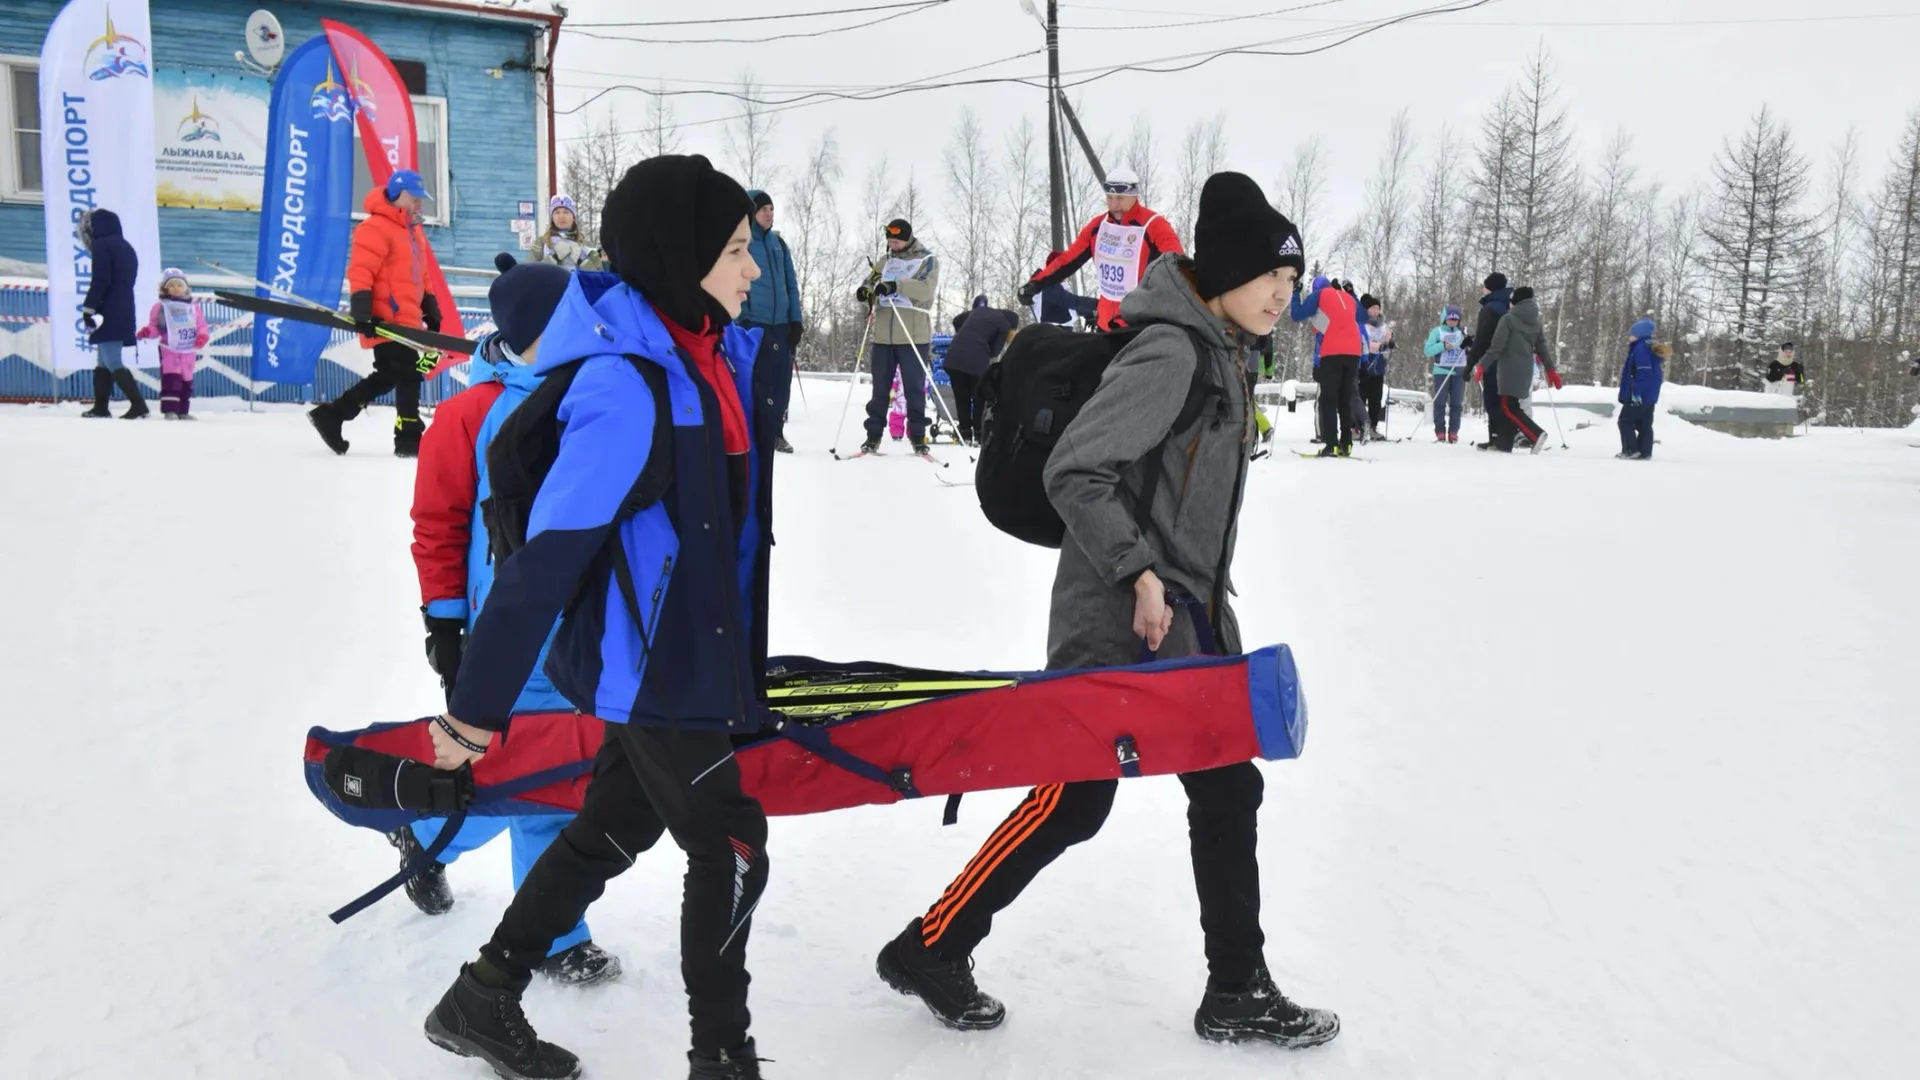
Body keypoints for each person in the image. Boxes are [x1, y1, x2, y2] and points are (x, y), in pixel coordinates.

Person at [875, 171, 1339, 1053]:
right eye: (1272, 276)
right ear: (1227, 273)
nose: (1287, 293)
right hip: (1123, 614)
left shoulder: (1224, 350)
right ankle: (930, 945)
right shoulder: (1172, 353)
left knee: (1224, 783)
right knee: (1075, 798)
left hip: (1182, 615)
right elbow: (1075, 470)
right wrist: (1139, 573)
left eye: (1294, 278)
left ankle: (1235, 984)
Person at [419, 155, 774, 1080]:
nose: (753, 269)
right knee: (733, 849)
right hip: (656, 664)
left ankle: (483, 995)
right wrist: (474, 708)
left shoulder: (701, 353)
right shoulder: (627, 384)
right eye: (737, 250)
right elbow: (545, 560)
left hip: (691, 653)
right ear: (679, 254)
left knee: (616, 825)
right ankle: (722, 1058)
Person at [401, 252, 622, 988]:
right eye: (566, 321)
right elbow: (437, 523)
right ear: (531, 330)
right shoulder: (470, 413)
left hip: (582, 626)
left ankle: (444, 847)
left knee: (562, 774)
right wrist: (447, 625)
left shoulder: (585, 396)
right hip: (508, 632)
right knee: (525, 773)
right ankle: (434, 839)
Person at [308, 169, 443, 458]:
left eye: (421, 199)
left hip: (407, 319)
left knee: (390, 375)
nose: (419, 205)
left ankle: (335, 414)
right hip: (384, 318)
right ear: (398, 195)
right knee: (408, 373)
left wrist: (430, 306)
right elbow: (361, 271)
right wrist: (363, 311)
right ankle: (408, 439)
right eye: (414, 199)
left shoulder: (413, 231)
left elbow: (422, 275)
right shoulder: (375, 228)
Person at [1018, 167, 1184, 331]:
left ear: (1134, 195)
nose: (1114, 205)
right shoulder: (1098, 227)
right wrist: (1036, 283)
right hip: (1106, 324)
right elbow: (1067, 260)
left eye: (1120, 198)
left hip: (1140, 325)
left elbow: (1177, 263)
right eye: (1109, 198)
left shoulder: (1154, 225)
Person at [856, 219, 940, 454]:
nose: (892, 244)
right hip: (884, 336)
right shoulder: (886, 260)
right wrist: (866, 291)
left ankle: (917, 436)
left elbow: (926, 290)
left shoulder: (926, 260)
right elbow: (871, 282)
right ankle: (873, 435)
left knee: (914, 389)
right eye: (889, 241)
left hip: (913, 335)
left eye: (896, 240)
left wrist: (896, 286)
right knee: (880, 390)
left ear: (907, 238)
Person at [740, 190, 803, 455]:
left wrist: (796, 320)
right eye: (764, 208)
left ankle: (776, 431)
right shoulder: (742, 243)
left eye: (772, 208)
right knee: (759, 379)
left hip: (781, 325)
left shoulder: (780, 245)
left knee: (781, 379)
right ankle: (755, 431)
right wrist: (743, 318)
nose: (769, 213)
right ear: (752, 212)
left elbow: (791, 284)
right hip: (755, 323)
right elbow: (737, 280)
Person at [77, 208, 147, 420]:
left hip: (109, 308)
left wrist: (89, 308)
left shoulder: (101, 245)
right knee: (102, 360)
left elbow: (101, 280)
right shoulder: (125, 246)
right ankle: (101, 407)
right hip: (124, 305)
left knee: (112, 360)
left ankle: (138, 405)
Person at [1478, 285, 1561, 453]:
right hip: (1526, 369)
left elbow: (1496, 347)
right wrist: (1551, 370)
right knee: (1512, 405)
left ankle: (1535, 435)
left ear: (1515, 302)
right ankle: (1504, 444)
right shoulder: (1536, 321)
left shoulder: (1508, 319)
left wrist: (1482, 365)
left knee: (1508, 407)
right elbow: (1542, 348)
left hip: (1509, 368)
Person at [1290, 273, 1366, 456]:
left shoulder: (1319, 295)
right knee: (1345, 398)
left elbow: (1297, 314)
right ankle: (1346, 443)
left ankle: (1331, 443)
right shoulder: (1346, 297)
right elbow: (1362, 317)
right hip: (1354, 351)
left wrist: (1295, 293)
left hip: (1332, 351)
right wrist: (1352, 293)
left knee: (1329, 399)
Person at [134, 268, 208, 420]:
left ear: (186, 288)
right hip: (169, 349)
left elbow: (201, 325)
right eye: (172, 285)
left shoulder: (193, 308)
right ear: (165, 287)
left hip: (188, 350)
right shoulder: (160, 307)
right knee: (171, 378)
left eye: (180, 285)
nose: (176, 288)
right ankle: (170, 410)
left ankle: (183, 411)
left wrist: (202, 336)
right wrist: (148, 332)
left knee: (186, 380)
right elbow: (155, 327)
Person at [945, 294, 1020, 443]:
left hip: (953, 358)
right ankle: (979, 434)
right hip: (976, 361)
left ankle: (965, 434)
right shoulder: (1004, 325)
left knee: (962, 398)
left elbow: (957, 320)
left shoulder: (979, 311)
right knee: (979, 397)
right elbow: (995, 352)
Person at [1468, 272, 1512, 448]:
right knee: (1507, 401)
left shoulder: (1490, 308)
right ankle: (1505, 437)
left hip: (1493, 359)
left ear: (1490, 288)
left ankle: (1497, 438)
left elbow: (1483, 338)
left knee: (1492, 399)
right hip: (1512, 360)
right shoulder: (1511, 306)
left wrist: (1472, 360)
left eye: (1484, 286)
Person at [1616, 317, 1666, 460]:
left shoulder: (1640, 348)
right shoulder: (1650, 348)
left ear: (1639, 334)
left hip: (1639, 394)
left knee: (1625, 421)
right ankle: (1645, 452)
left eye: (1632, 334)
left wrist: (1636, 393)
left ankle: (1630, 450)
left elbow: (1643, 371)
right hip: (1650, 395)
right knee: (1644, 423)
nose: (1630, 337)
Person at [1423, 305, 1469, 442]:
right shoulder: (1437, 332)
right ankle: (1440, 432)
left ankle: (1453, 432)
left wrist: (1469, 345)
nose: (1452, 322)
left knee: (1456, 403)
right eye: (1450, 319)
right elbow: (1428, 350)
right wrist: (1443, 346)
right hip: (1441, 371)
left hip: (1459, 370)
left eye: (1455, 320)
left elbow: (1469, 350)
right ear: (1444, 319)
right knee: (1440, 403)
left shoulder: (1463, 332)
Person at [1358, 293, 1394, 440]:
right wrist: (1380, 346)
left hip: (1378, 367)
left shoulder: (1383, 326)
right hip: (1365, 364)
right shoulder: (1362, 325)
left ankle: (1373, 425)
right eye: (1372, 308)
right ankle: (1358, 426)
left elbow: (1389, 339)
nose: (1375, 311)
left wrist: (1391, 343)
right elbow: (1364, 343)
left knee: (1376, 398)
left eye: (1377, 308)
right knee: (1361, 396)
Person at [531, 195, 596, 270]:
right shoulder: (541, 242)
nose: (561, 216)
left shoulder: (586, 245)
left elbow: (600, 278)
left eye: (566, 212)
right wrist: (553, 258)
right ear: (552, 217)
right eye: (557, 212)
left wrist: (582, 261)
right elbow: (530, 273)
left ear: (573, 216)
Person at [1031, 256, 1099, 328]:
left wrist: (1088, 314)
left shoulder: (1055, 285)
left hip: (1060, 330)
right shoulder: (1050, 287)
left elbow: (1069, 306)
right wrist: (1098, 304)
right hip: (1054, 332)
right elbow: (1071, 302)